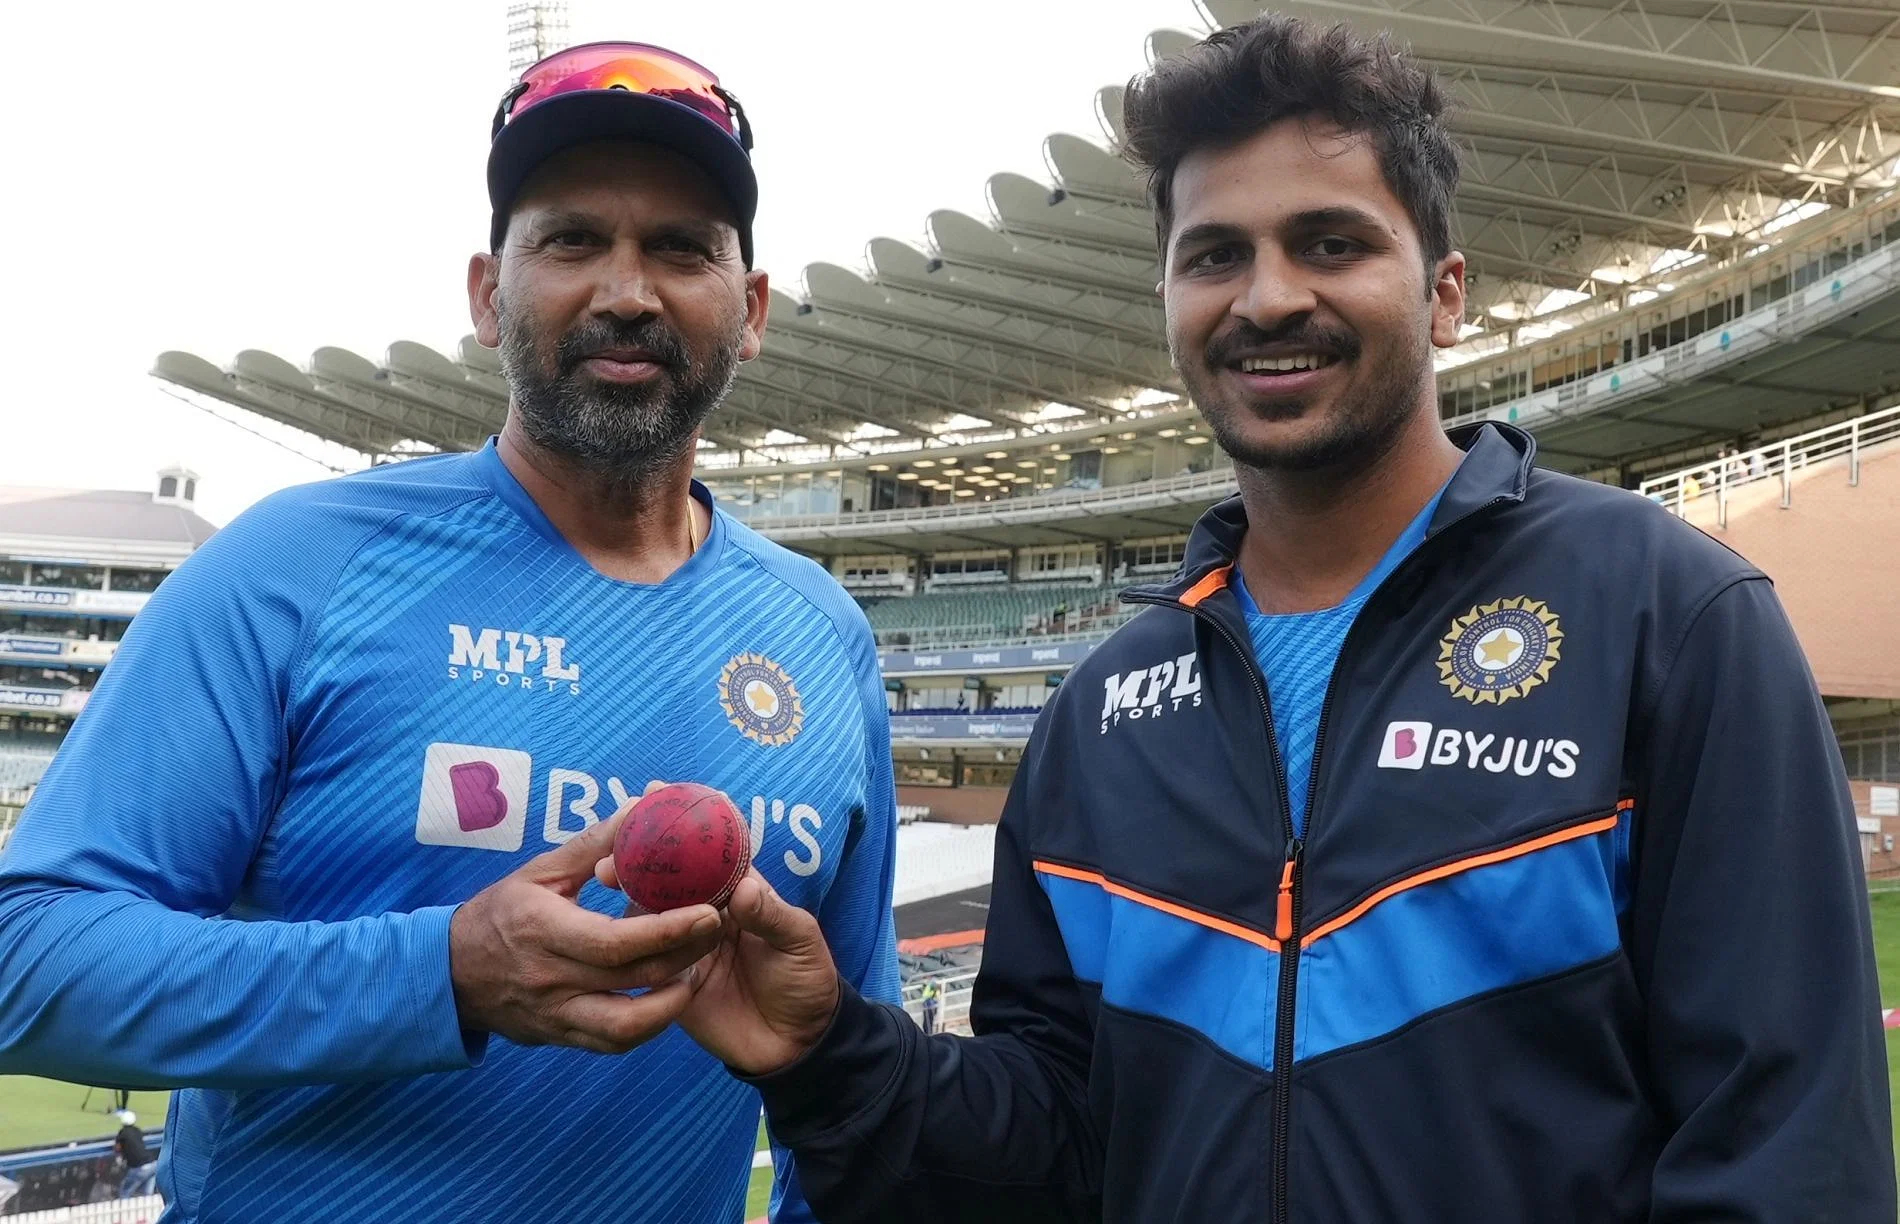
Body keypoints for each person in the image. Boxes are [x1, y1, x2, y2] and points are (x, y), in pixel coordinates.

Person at [643, 15, 1895, 1221]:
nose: (1268, 297)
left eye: (1332, 242)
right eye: (1214, 255)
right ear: (1170, 303)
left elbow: (1784, 1150)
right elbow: (1054, 1152)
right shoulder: (1102, 718)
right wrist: (825, 1054)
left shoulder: (1665, 615)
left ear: (1445, 293)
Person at [0, 41, 897, 1224]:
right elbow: (32, 958)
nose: (626, 291)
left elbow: (851, 1067)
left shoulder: (820, 638)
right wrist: (439, 976)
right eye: (572, 240)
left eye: (681, 249)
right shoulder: (296, 567)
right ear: (487, 293)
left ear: (752, 312)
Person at [113, 1110, 156, 1199]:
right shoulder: (137, 1131)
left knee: (124, 1193)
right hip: (153, 1165)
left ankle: (124, 1209)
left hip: (139, 1168)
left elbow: (117, 1148)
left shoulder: (122, 1133)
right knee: (147, 1194)